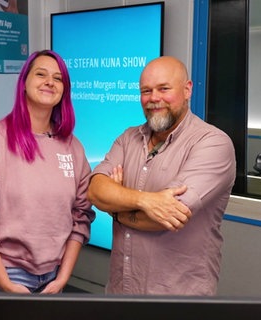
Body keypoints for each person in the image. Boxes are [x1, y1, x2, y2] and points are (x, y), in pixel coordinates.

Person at [87, 56, 236, 295]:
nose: (154, 98)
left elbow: (165, 218)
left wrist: (115, 208)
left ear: (187, 90)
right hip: (121, 291)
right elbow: (94, 190)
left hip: (176, 300)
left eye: (164, 89)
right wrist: (145, 201)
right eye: (146, 91)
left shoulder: (212, 143)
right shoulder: (128, 138)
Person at [0, 50, 95, 294]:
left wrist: (62, 279)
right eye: (41, 74)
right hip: (0, 276)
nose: (50, 81)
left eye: (58, 78)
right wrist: (5, 283)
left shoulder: (73, 147)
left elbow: (81, 215)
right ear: (24, 83)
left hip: (53, 277)